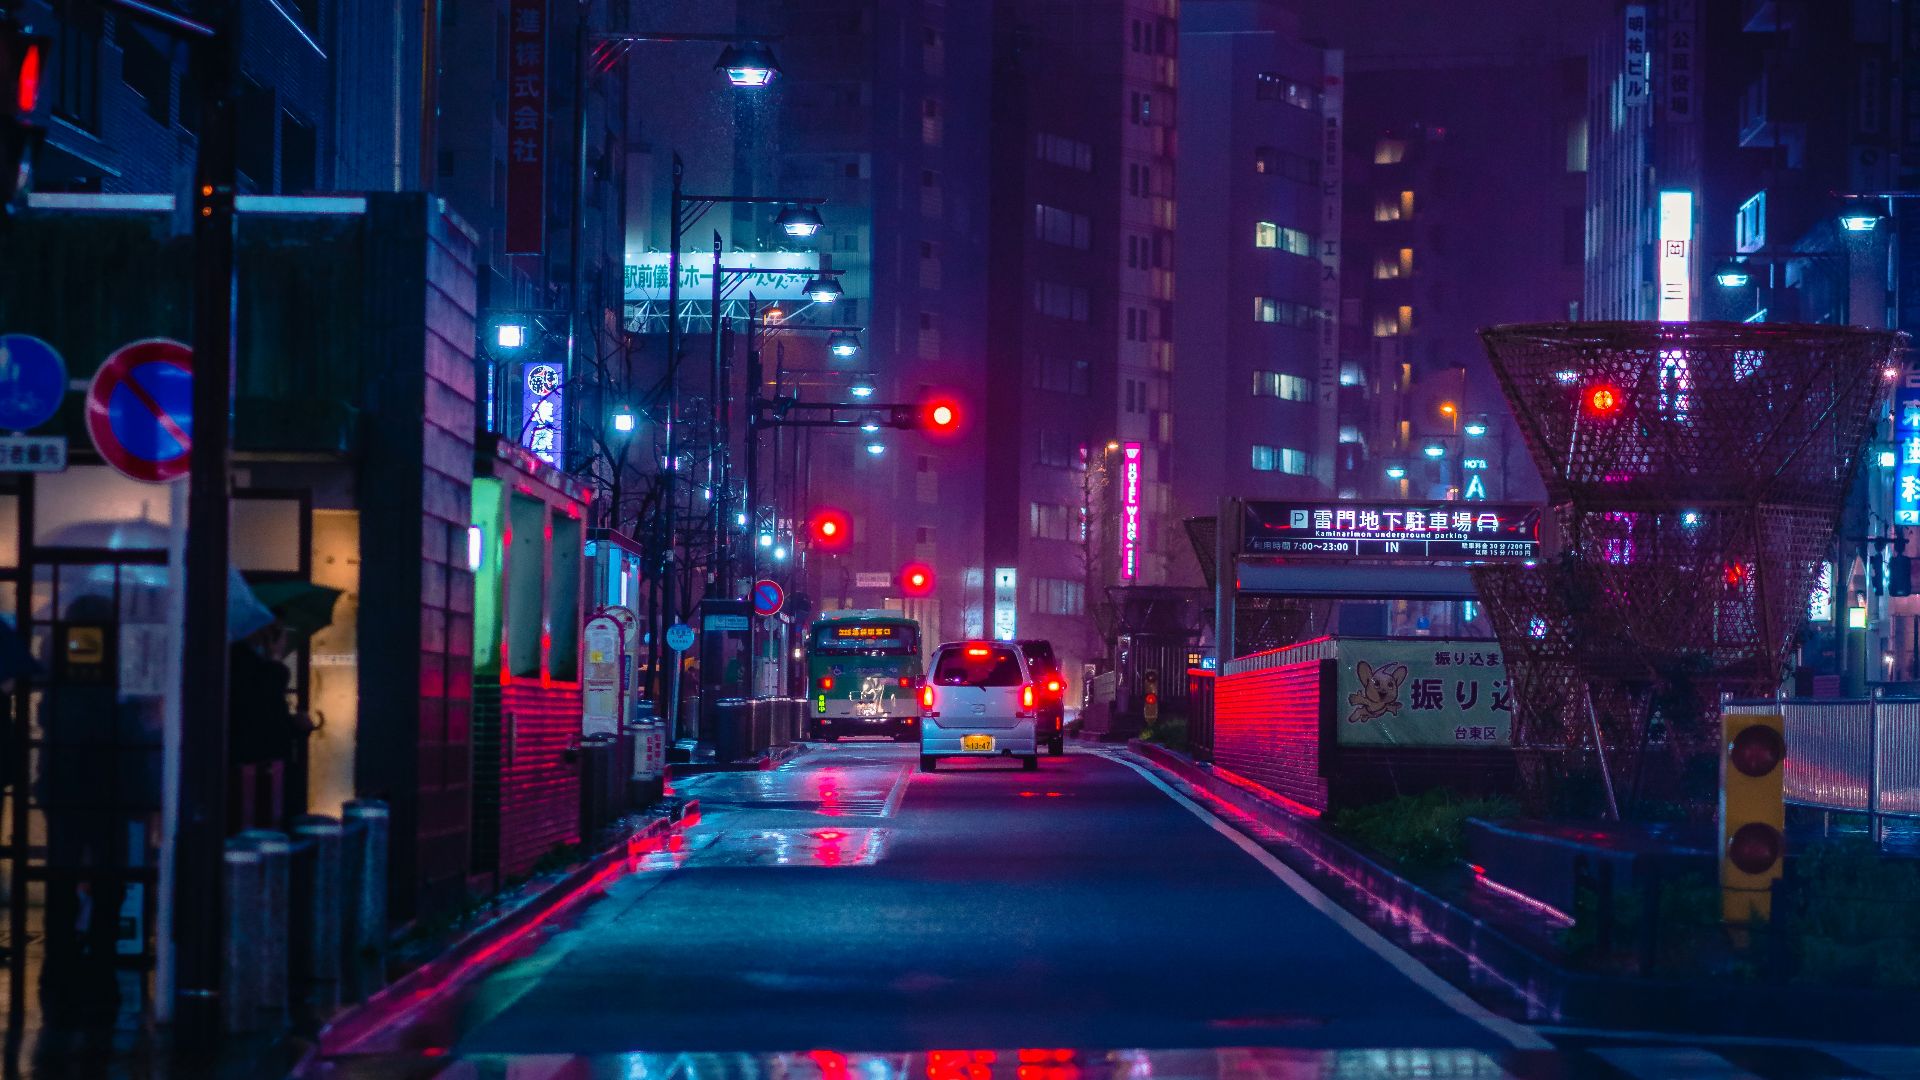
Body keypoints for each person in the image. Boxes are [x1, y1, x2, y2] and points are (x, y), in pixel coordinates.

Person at [228, 623, 313, 832]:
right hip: (258, 768)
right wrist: (274, 661)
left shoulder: (247, 665)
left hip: (253, 764)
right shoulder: (254, 667)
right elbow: (264, 718)